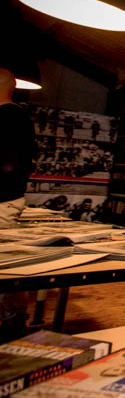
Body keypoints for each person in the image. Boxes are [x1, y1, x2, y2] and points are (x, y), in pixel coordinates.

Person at [0, 67, 36, 341]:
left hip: (4, 200)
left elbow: (11, 164)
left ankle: (14, 326)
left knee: (7, 267)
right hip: (8, 198)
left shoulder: (11, 118)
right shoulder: (18, 117)